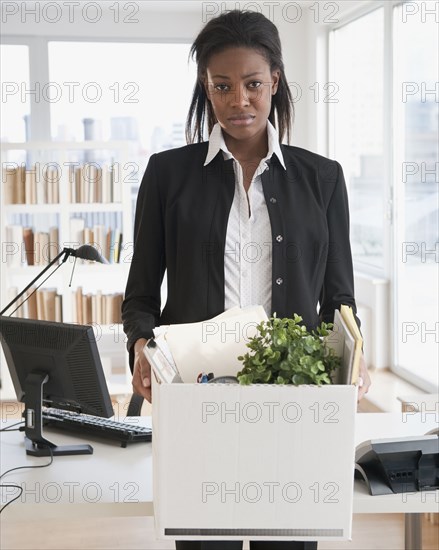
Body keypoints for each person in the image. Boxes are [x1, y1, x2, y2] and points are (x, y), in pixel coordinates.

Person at [122, 9, 371, 550]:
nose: (240, 101)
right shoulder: (167, 176)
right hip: (197, 401)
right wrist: (142, 344)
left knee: (288, 540)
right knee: (204, 540)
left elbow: (339, 297)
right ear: (206, 89)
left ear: (275, 82)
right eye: (223, 86)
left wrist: (355, 353)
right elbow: (141, 292)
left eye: (253, 84)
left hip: (293, 402)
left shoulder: (322, 179)